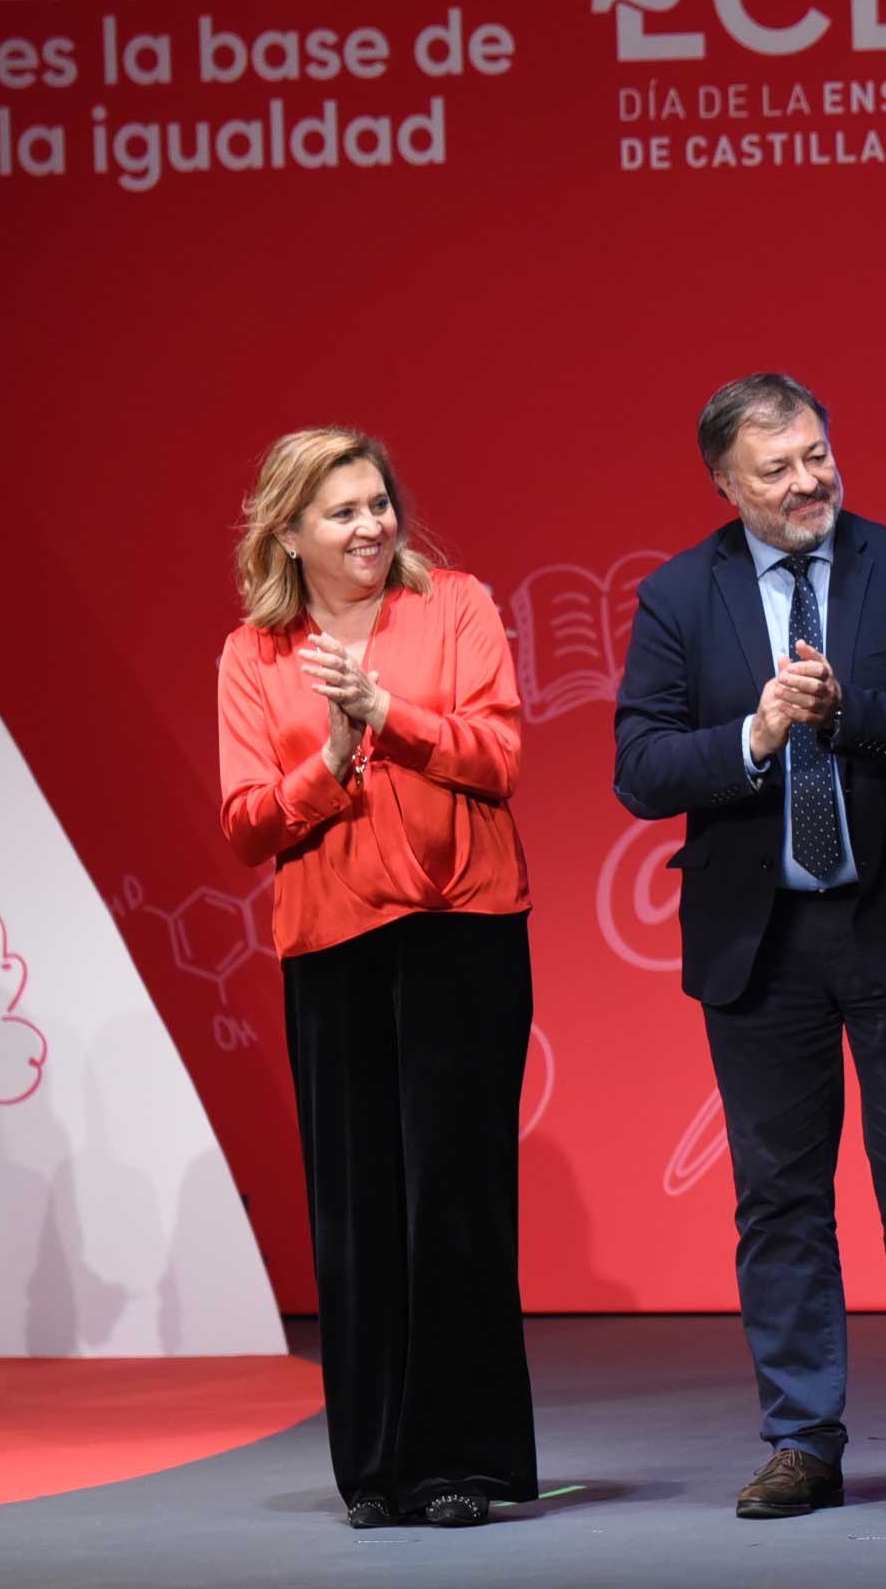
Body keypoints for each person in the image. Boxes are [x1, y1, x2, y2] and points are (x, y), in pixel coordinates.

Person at [611, 373, 886, 1518]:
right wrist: (756, 731)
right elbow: (640, 767)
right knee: (779, 1200)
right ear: (726, 484)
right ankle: (801, 1438)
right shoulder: (682, 594)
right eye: (775, 468)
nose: (806, 482)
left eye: (816, 455)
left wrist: (840, 714)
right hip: (758, 942)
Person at [216, 427, 535, 1531]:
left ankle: (461, 1460)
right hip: (333, 941)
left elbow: (499, 757)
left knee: (454, 1199)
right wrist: (332, 756)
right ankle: (375, 1468)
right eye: (342, 511)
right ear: (289, 532)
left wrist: (388, 714)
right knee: (357, 1211)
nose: (370, 526)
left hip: (464, 932)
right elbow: (248, 823)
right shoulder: (252, 654)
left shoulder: (453, 605)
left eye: (378, 502)